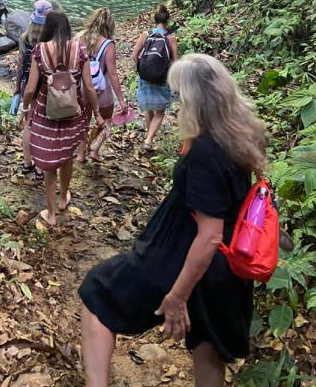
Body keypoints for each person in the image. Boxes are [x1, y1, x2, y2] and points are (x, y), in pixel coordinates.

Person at [79, 53, 266, 387]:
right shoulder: (237, 135)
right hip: (224, 269)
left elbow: (209, 235)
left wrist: (178, 297)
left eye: (179, 95)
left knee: (98, 292)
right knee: (207, 348)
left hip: (182, 257)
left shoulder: (206, 152)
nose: (177, 103)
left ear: (196, 99)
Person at [21, 11, 105, 226]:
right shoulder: (80, 49)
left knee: (50, 163)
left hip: (45, 112)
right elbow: (88, 86)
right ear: (67, 28)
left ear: (47, 28)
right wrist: (97, 113)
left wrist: (25, 108)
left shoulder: (40, 50)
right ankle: (63, 198)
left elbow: (30, 88)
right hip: (72, 111)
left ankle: (50, 213)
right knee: (67, 156)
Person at [76, 8, 126, 163]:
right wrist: (121, 100)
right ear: (109, 25)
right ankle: (95, 148)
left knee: (84, 122)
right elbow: (112, 74)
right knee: (107, 120)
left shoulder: (79, 37)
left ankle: (80, 155)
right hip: (102, 91)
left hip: (84, 87)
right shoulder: (108, 44)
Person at [11, 0, 53, 172]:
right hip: (46, 86)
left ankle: (27, 162)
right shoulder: (50, 40)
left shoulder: (24, 38)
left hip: (28, 84)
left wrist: (17, 89)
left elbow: (21, 64)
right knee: (44, 124)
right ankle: (41, 165)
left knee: (29, 123)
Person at [131, 3, 178, 150]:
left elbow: (134, 55)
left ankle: (148, 137)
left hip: (145, 75)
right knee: (160, 110)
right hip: (161, 76)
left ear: (155, 20)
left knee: (148, 108)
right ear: (167, 21)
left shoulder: (146, 34)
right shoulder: (170, 37)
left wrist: (142, 67)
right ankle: (149, 140)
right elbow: (175, 61)